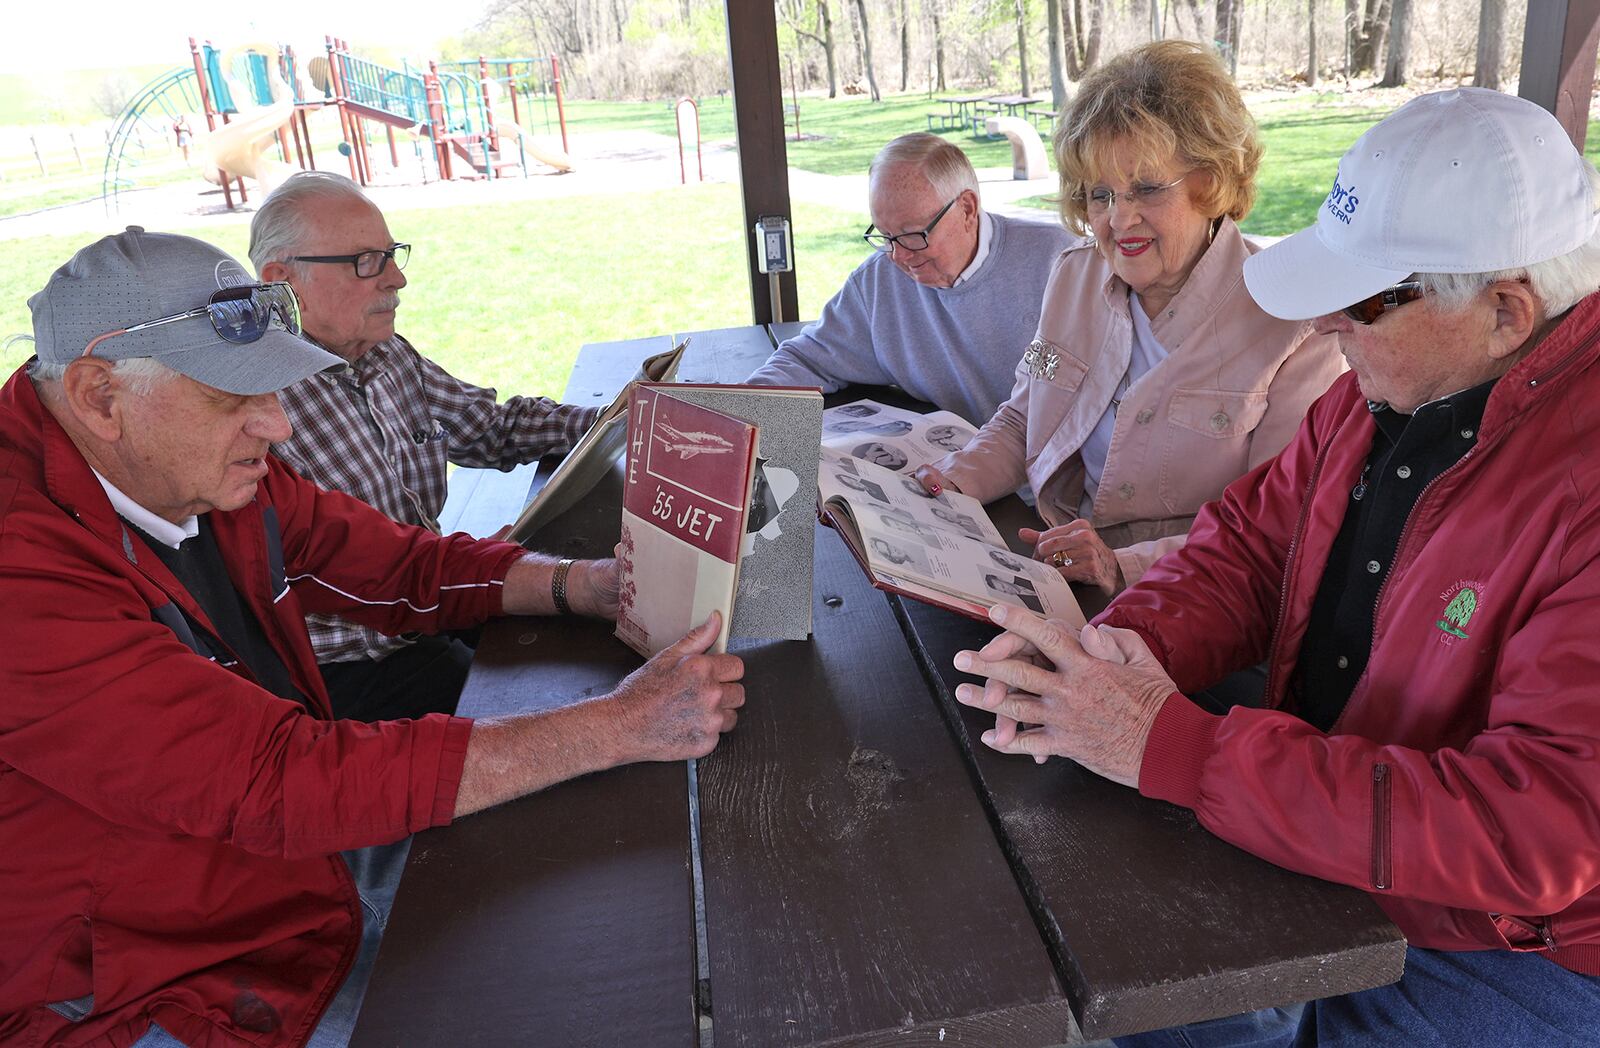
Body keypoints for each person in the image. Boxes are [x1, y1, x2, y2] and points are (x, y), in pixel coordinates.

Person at [954, 88, 1600, 1045]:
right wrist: (1111, 655)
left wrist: (1175, 748)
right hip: (1331, 813)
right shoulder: (1387, 389)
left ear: (1507, 311)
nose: (1330, 320)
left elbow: (1540, 831)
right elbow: (1250, 553)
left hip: (1517, 940)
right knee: (1111, 971)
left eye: (1365, 297)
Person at [0, 229, 746, 1048]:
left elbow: (389, 565)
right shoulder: (23, 573)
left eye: (275, 390)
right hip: (132, 976)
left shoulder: (189, 467)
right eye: (232, 397)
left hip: (269, 874)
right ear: (100, 396)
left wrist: (578, 584)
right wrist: (618, 725)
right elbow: (276, 780)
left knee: (617, 917)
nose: (278, 426)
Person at [914, 41, 1343, 598]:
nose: (1118, 219)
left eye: (1146, 189)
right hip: (1059, 569)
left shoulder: (1293, 326)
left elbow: (1272, 528)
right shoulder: (1074, 277)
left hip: (1193, 599)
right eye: (1100, 194)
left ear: (1209, 182)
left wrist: (1122, 565)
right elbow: (1027, 416)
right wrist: (953, 477)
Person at [247, 171, 602, 723]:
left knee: (603, 646)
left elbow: (492, 427)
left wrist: (620, 421)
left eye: (392, 255)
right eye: (367, 262)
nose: (398, 279)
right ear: (282, 281)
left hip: (434, 600)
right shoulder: (253, 408)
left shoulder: (385, 355)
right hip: (351, 671)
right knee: (563, 709)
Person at [747, 132, 1073, 426]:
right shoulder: (878, 282)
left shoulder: (1059, 262)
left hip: (1047, 483)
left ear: (967, 209)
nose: (897, 256)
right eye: (885, 235)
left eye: (913, 235)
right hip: (943, 468)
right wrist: (737, 412)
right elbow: (808, 359)